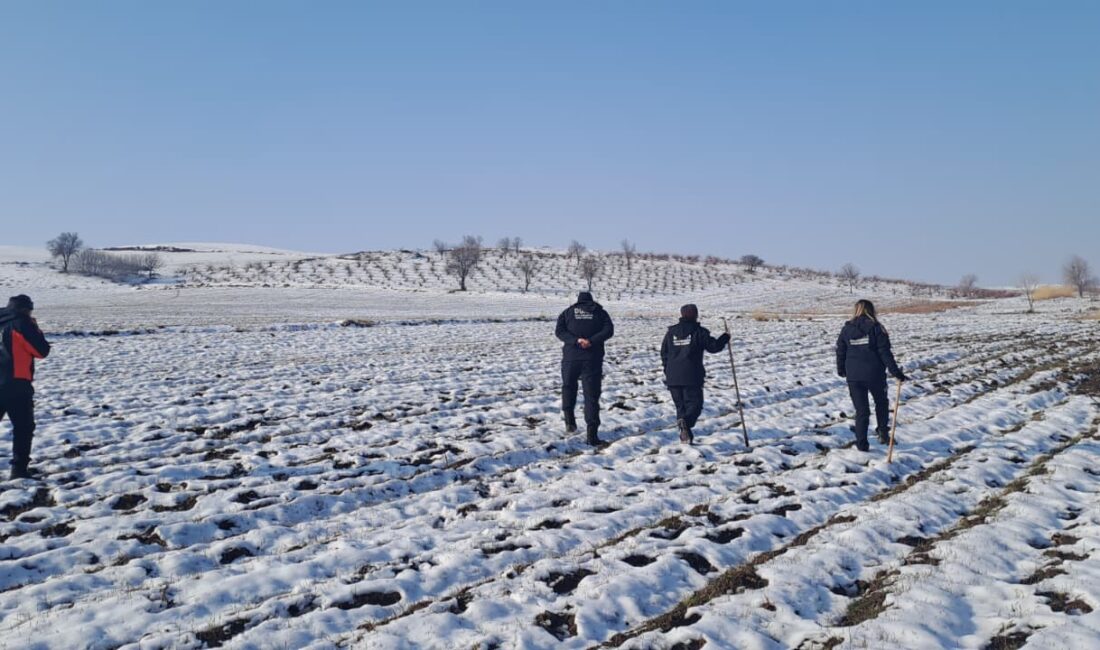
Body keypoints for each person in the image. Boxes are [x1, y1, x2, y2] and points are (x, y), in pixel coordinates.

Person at [836, 299, 906, 452]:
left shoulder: (846, 329)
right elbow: (884, 352)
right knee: (881, 402)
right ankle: (882, 431)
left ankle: (862, 444)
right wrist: (896, 372)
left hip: (854, 376)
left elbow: (840, 350)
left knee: (862, 411)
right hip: (874, 374)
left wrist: (841, 369)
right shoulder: (876, 328)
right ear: (871, 310)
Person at [660, 304, 730, 444]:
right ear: (695, 315)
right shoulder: (699, 331)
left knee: (681, 407)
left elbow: (664, 353)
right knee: (695, 405)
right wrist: (725, 337)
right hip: (691, 375)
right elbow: (714, 347)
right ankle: (686, 424)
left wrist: (667, 370)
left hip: (673, 377)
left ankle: (686, 436)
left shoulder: (671, 332)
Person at [1, 295, 51, 479]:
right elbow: (41, 351)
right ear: (25, 309)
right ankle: (19, 470)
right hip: (16, 383)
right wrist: (35, 327)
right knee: (23, 427)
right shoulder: (21, 323)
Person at [555, 291, 614, 446]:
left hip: (570, 358)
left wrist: (575, 341)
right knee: (591, 395)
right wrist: (591, 341)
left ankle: (570, 422)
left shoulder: (567, 312)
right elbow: (608, 331)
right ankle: (592, 434)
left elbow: (559, 332)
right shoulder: (600, 312)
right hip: (592, 358)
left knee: (568, 387)